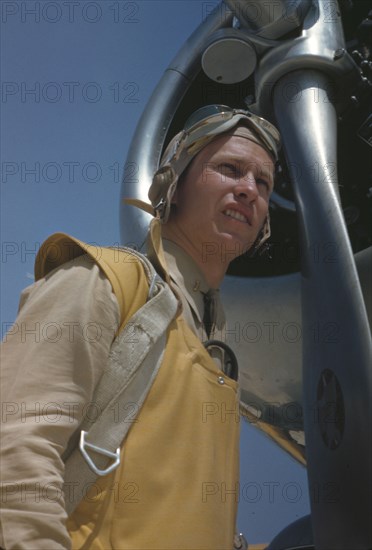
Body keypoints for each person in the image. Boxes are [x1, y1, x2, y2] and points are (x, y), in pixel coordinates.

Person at [0, 105, 280, 550]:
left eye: (263, 183)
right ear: (174, 182)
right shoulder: (105, 282)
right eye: (230, 169)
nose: (249, 189)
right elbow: (15, 453)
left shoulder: (220, 358)